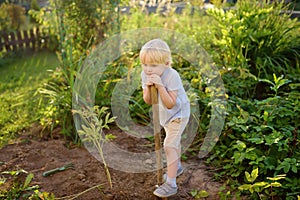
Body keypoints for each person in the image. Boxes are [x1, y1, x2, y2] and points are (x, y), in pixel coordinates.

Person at [140, 38, 190, 198]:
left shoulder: (172, 76)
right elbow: (148, 100)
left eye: (153, 66)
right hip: (165, 116)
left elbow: (170, 104)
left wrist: (160, 85)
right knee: (173, 144)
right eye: (145, 65)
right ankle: (178, 167)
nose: (148, 69)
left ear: (167, 64)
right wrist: (148, 86)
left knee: (169, 146)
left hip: (178, 114)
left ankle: (171, 183)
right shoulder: (146, 74)